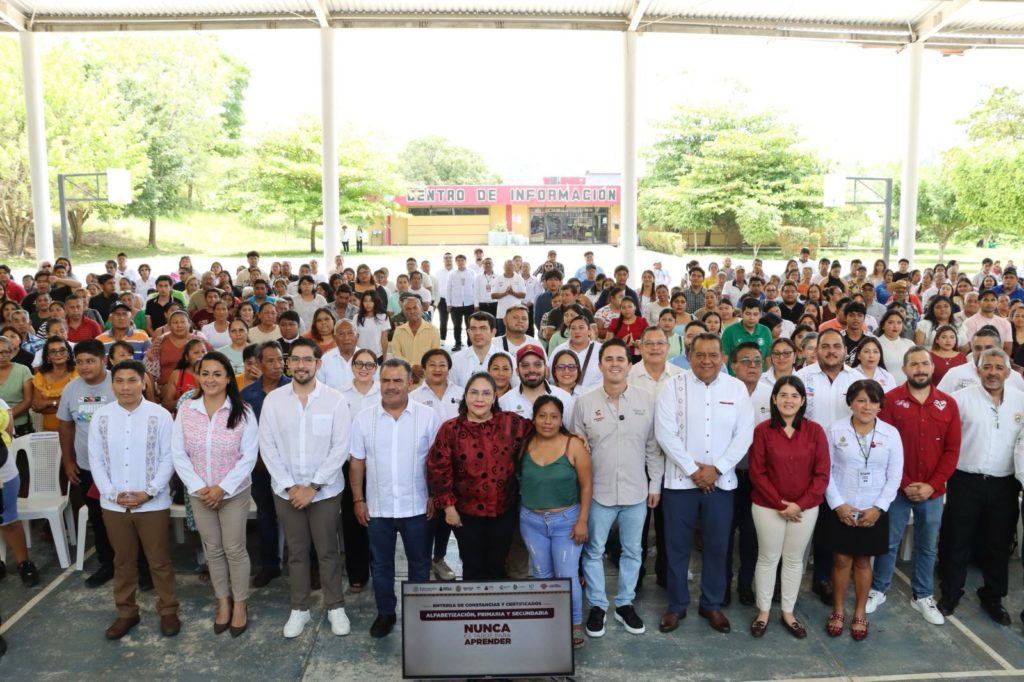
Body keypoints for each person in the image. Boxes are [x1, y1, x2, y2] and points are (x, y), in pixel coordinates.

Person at [656, 332, 755, 635]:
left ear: (723, 357)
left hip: (721, 484)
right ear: (689, 356)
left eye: (713, 354)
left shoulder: (736, 389)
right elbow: (665, 433)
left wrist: (718, 469)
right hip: (679, 484)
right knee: (676, 547)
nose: (707, 360)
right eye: (700, 354)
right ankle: (677, 605)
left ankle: (711, 604)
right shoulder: (672, 387)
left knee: (717, 546)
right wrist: (693, 470)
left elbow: (744, 435)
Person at [258, 338, 352, 639]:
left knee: (328, 551)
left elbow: (340, 447)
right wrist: (290, 486)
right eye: (295, 359)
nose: (301, 365)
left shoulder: (335, 400)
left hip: (324, 491)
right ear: (289, 363)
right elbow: (267, 446)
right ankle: (299, 608)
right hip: (286, 491)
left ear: (318, 363)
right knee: (296, 552)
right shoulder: (274, 400)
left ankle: (335, 605)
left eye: (307, 359)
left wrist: (312, 486)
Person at [864, 347, 960, 626]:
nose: (920, 369)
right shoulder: (891, 401)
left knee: (927, 545)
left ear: (932, 368)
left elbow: (952, 451)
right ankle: (878, 589)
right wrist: (904, 483)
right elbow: (882, 446)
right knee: (888, 542)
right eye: (914, 364)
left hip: (932, 491)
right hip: (896, 489)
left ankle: (923, 595)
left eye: (924, 364)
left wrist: (932, 485)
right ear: (904, 369)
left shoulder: (948, 404)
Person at [573, 338, 661, 639]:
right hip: (598, 493)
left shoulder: (646, 400)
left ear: (629, 364)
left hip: (636, 491)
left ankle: (624, 603)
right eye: (608, 359)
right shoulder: (585, 403)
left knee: (633, 551)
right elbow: (577, 449)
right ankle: (598, 605)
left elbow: (652, 447)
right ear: (600, 365)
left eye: (620, 359)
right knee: (594, 551)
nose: (614, 364)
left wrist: (655, 484)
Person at [349, 359, 440, 638]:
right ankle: (385, 613)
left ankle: (418, 615)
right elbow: (357, 462)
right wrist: (358, 500)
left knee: (420, 565)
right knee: (381, 566)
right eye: (386, 380)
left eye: (397, 380)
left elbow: (437, 462)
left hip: (418, 507)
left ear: (410, 383)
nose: (391, 386)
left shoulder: (428, 416)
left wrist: (434, 495)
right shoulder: (364, 418)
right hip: (378, 508)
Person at [88, 359, 178, 640]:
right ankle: (127, 612)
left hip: (152, 503)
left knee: (158, 560)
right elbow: (96, 460)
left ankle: (168, 609)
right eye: (119, 381)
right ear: (112, 384)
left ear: (143, 382)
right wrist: (112, 494)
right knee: (123, 561)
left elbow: (169, 457)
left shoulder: (160, 416)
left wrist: (149, 491)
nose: (125, 387)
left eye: (131, 380)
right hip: (114, 504)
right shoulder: (101, 417)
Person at [171, 351, 258, 637]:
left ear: (228, 378)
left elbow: (249, 456)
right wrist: (199, 487)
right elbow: (178, 453)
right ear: (198, 376)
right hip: (200, 494)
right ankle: (223, 601)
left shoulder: (242, 411)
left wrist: (222, 488)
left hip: (233, 493)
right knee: (213, 549)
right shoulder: (187, 409)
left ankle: (240, 604)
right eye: (205, 373)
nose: (210, 379)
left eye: (217, 374)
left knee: (234, 548)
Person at [938, 348, 1024, 625]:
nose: (993, 373)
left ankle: (993, 597)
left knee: (998, 544)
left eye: (999, 367)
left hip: (1004, 484)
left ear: (1008, 372)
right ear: (978, 370)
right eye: (987, 367)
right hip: (965, 481)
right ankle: (951, 593)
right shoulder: (960, 399)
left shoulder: (1021, 401)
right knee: (956, 540)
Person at [428, 372, 532, 580]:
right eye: (474, 393)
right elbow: (438, 469)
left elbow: (543, 431)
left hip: (504, 511)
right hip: (465, 514)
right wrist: (448, 507)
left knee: (498, 566)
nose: (479, 399)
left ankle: (495, 601)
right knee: (472, 567)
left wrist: (573, 437)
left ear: (494, 398)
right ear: (465, 396)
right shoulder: (451, 429)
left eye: (486, 393)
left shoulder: (511, 423)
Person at [748, 376, 829, 638]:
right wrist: (780, 503)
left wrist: (800, 505)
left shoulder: (815, 431)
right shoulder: (763, 430)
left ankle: (788, 612)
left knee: (794, 560)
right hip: (767, 506)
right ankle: (763, 612)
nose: (789, 400)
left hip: (805, 509)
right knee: (768, 558)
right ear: (774, 399)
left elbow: (822, 474)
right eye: (783, 395)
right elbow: (757, 472)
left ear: (803, 400)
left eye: (795, 395)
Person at [823, 380, 903, 641]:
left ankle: (859, 612)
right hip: (842, 507)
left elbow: (894, 476)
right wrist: (838, 505)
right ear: (850, 403)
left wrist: (878, 508)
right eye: (860, 400)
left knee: (863, 561)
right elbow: (826, 471)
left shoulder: (891, 434)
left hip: (873, 509)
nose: (866, 406)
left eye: (873, 401)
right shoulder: (835, 430)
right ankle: (838, 610)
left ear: (880, 406)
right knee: (841, 559)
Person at [518, 395, 592, 648]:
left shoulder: (574, 445)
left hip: (566, 521)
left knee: (566, 575)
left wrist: (582, 520)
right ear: (533, 419)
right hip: (531, 522)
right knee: (542, 574)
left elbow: (586, 485)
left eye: (554, 416)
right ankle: (549, 621)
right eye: (542, 416)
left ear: (561, 419)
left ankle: (573, 624)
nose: (547, 421)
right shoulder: (524, 443)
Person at [239, 342, 290, 588]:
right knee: (266, 516)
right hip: (260, 467)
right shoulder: (248, 395)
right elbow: (244, 432)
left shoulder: (294, 388)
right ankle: (269, 565)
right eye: (270, 361)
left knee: (299, 516)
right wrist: (256, 457)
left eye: (280, 359)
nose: (277, 365)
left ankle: (310, 565)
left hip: (291, 467)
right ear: (259, 363)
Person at [409, 348, 462, 581]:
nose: (437, 369)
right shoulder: (413, 397)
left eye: (442, 364)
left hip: (459, 467)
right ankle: (422, 562)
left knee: (448, 515)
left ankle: (438, 558)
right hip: (425, 466)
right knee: (428, 515)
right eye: (432, 364)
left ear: (449, 368)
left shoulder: (462, 394)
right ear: (424, 369)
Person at [0, 396, 41, 586]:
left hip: (3, 475)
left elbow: (7, 435)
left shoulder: (1, 404)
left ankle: (23, 563)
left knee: (9, 521)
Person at [499, 344, 574, 427]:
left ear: (546, 369)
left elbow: (571, 433)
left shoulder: (565, 399)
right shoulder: (504, 402)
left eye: (537, 364)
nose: (532, 370)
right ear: (517, 371)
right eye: (525, 365)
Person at [390, 295, 440, 386]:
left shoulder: (433, 330)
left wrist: (421, 371)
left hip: (426, 378)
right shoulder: (399, 331)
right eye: (408, 309)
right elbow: (396, 354)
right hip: (404, 378)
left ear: (421, 308)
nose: (412, 311)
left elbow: (435, 356)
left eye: (415, 308)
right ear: (403, 311)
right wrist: (411, 367)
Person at [32, 336, 77, 432]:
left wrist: (46, 403)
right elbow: (36, 406)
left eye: (62, 350)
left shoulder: (78, 373)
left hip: (74, 429)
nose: (58, 354)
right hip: (48, 431)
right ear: (47, 356)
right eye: (53, 351)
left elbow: (76, 405)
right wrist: (58, 402)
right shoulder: (40, 376)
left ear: (68, 353)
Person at [161, 338, 206, 414]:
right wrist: (184, 399)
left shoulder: (212, 375)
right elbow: (166, 405)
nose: (201, 355)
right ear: (186, 357)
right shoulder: (177, 374)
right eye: (196, 353)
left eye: (204, 352)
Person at [0, 335, 33, 436]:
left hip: (18, 424)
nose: (1, 356)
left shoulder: (23, 370)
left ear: (11, 353)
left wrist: (6, 418)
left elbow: (28, 401)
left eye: (5, 352)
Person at [354, 291, 389, 363]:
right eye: (365, 301)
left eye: (371, 301)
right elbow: (354, 337)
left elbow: (384, 339)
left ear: (376, 302)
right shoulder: (356, 317)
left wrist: (385, 358)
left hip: (377, 355)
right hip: (359, 355)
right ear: (362, 302)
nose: (368, 304)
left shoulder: (383, 316)